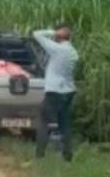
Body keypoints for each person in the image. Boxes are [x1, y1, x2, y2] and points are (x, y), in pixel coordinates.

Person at [34, 25, 79, 162]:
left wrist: (53, 32)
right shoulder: (73, 52)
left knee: (44, 121)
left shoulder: (57, 49)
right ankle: (67, 156)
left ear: (59, 36)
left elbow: (36, 34)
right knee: (64, 123)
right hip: (69, 91)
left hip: (54, 91)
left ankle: (39, 156)